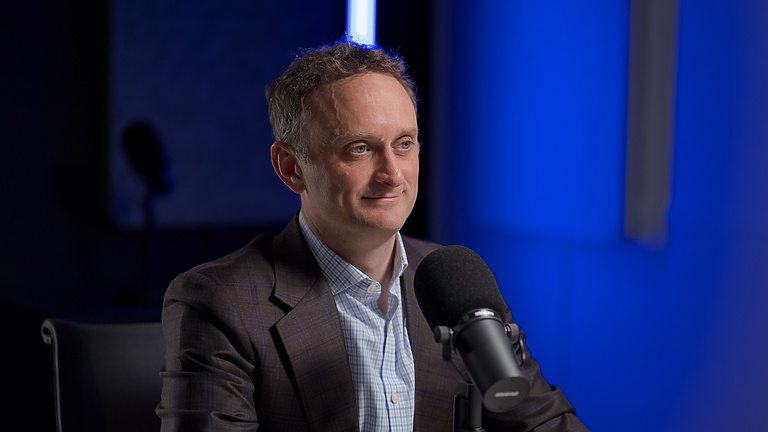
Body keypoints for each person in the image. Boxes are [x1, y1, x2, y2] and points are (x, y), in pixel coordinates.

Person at [157, 40, 589, 432]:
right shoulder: (219, 302)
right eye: (359, 148)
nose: (392, 174)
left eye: (404, 144)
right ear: (291, 168)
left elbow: (545, 423)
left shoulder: (454, 285)